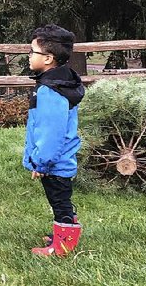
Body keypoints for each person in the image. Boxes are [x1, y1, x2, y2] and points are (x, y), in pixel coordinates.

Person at [23, 24, 84, 256]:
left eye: (32, 52)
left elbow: (51, 132)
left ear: (48, 59)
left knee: (60, 202)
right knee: (60, 198)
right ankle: (61, 233)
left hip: (54, 163)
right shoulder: (62, 82)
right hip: (59, 160)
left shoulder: (51, 90)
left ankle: (62, 246)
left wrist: (41, 162)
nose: (29, 56)